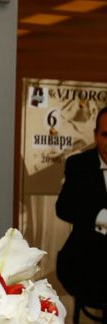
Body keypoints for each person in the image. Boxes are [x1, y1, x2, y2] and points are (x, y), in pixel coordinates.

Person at [56, 106, 107, 304]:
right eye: (105, 135)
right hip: (86, 261)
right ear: (95, 135)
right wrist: (99, 216)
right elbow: (64, 208)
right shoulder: (79, 165)